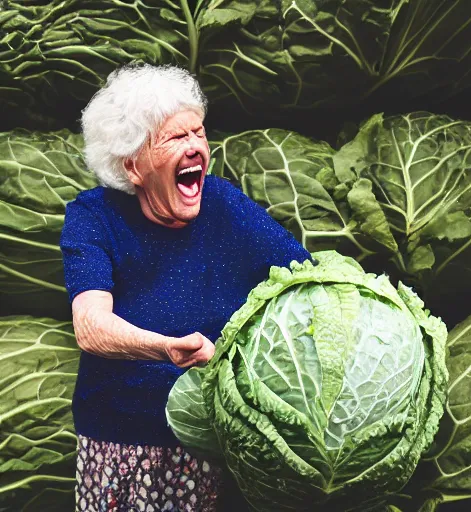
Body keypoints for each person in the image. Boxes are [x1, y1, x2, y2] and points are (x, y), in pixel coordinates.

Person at [60, 63, 311, 512]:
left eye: (199, 132)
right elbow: (90, 325)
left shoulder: (223, 202)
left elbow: (309, 278)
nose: (196, 146)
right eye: (176, 138)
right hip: (125, 445)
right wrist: (165, 348)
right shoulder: (92, 216)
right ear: (132, 165)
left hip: (223, 438)